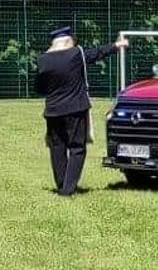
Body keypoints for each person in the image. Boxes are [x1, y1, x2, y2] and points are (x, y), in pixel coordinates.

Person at [35, 25, 125, 196]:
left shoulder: (42, 60)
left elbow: (39, 88)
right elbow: (96, 53)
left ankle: (62, 184)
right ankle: (68, 189)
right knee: (77, 147)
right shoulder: (76, 53)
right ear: (69, 40)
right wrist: (116, 45)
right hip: (75, 109)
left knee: (57, 147)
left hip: (53, 110)